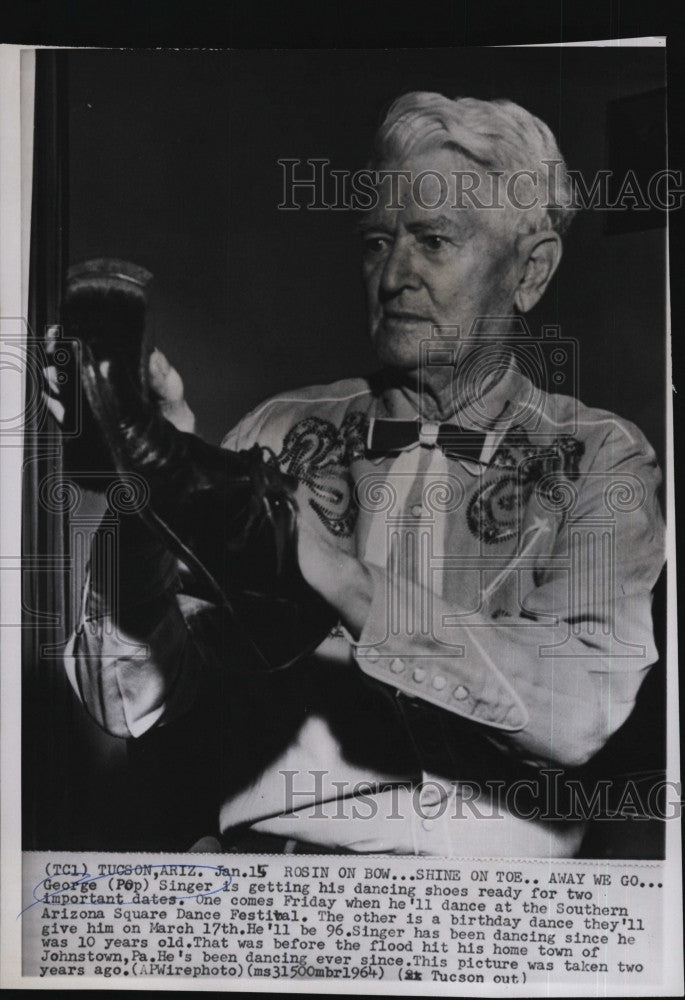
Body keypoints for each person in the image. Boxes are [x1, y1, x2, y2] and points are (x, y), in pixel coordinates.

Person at [58, 92, 665, 857]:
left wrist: (344, 581)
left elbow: (581, 706)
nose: (393, 276)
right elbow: (126, 700)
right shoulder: (276, 430)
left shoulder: (600, 456)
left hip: (486, 927)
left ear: (530, 270)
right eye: (377, 241)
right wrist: (146, 496)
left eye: (433, 241)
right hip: (267, 898)